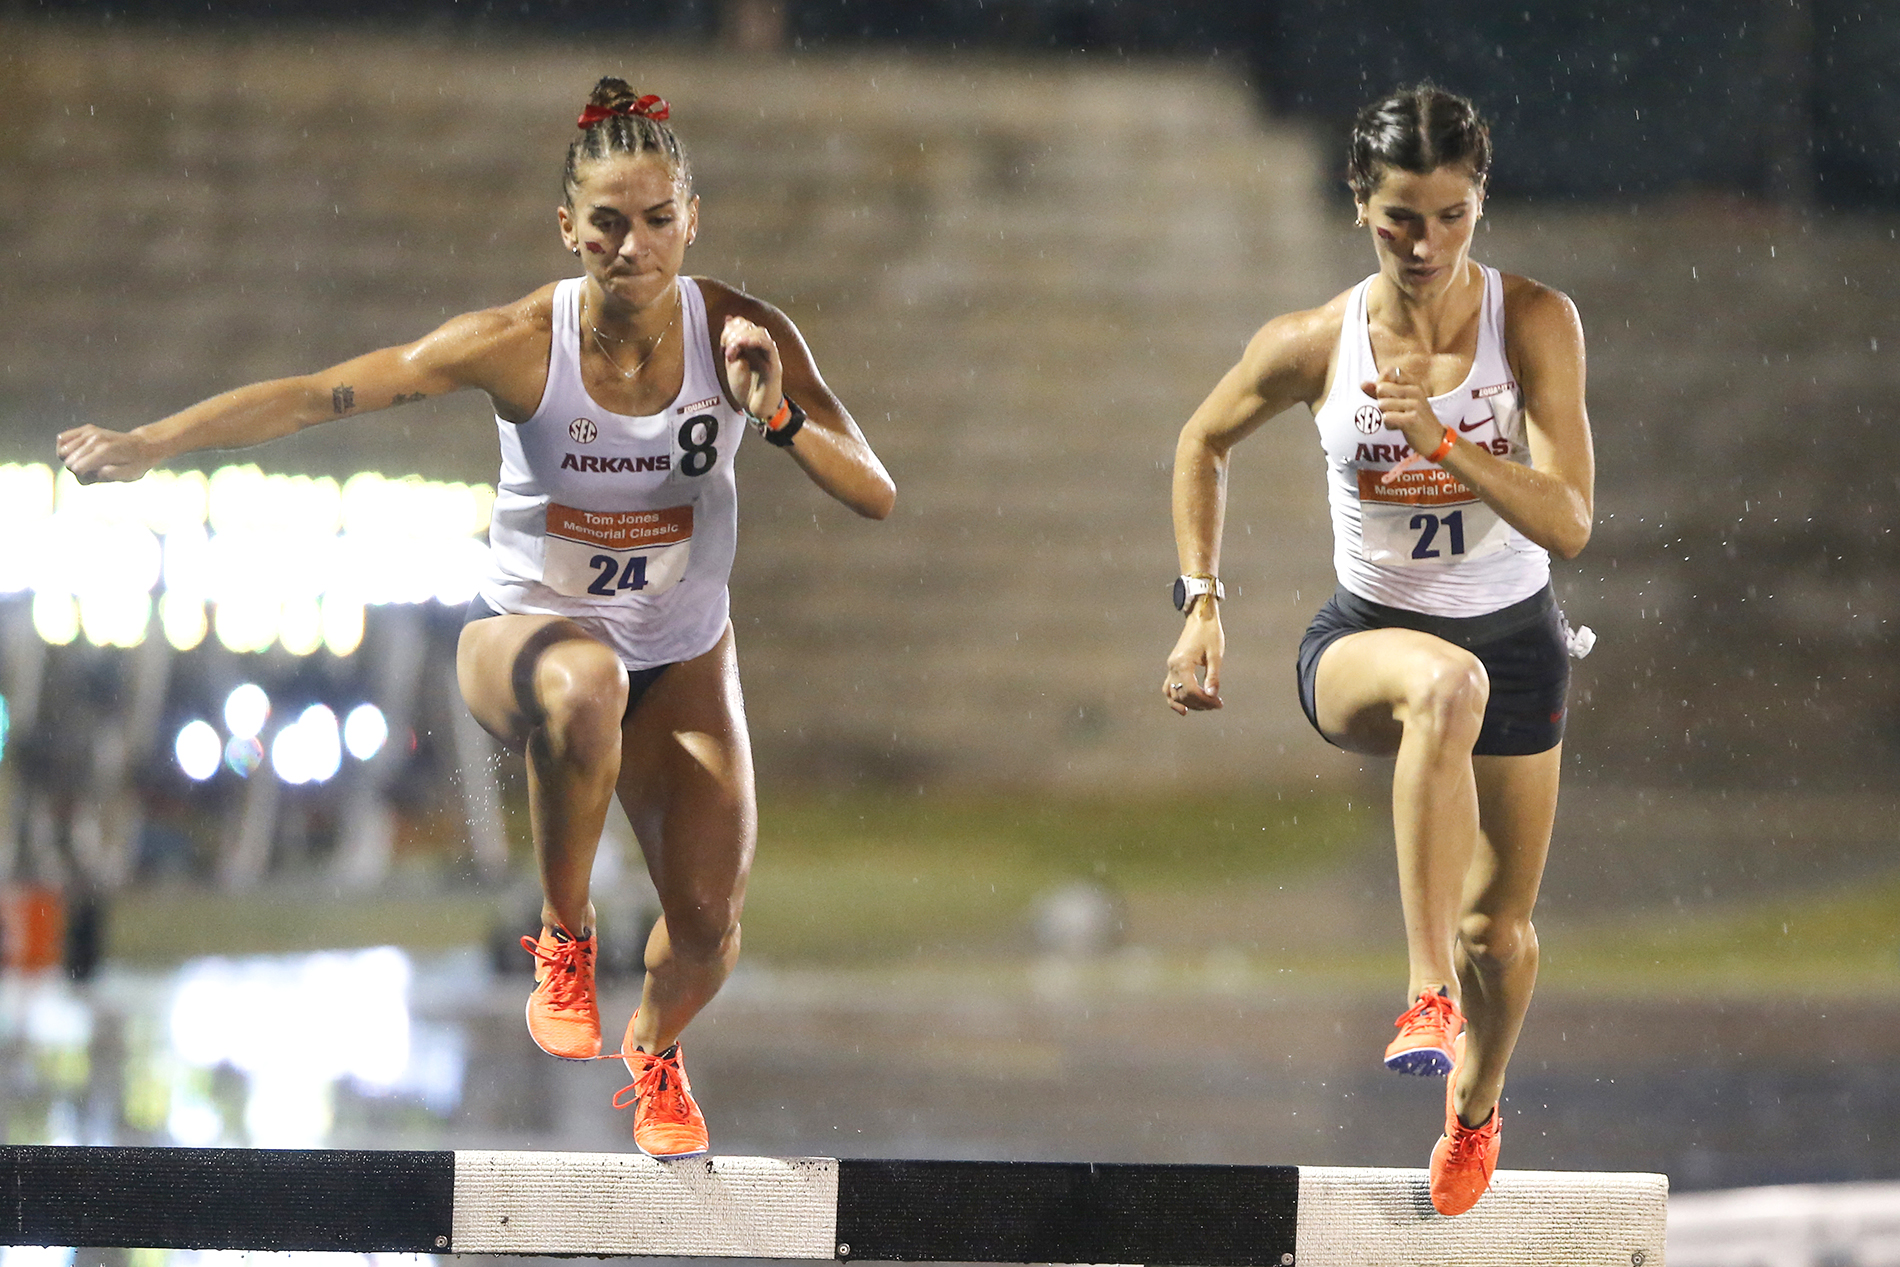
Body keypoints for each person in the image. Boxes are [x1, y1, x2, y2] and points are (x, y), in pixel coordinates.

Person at [57, 77, 896, 1159]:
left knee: (707, 929)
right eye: (606, 224)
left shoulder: (741, 331)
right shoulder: (513, 341)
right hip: (523, 643)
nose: (631, 249)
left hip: (683, 656)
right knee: (583, 680)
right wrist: (150, 443)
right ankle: (564, 931)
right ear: (567, 228)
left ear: (691, 220)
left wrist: (772, 411)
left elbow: (872, 489)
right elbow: (320, 392)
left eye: (654, 221)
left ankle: (652, 1046)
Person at [1161, 84, 1592, 1216]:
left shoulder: (1533, 321)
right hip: (1366, 638)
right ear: (1360, 206)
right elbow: (1201, 441)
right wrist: (1200, 600)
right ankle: (1422, 995)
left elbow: (1569, 522)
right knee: (1442, 685)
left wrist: (1441, 440)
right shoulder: (1314, 342)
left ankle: (1476, 1104)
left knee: (1499, 931)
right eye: (1401, 216)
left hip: (1519, 638)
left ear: (1479, 204)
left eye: (1451, 216)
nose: (1425, 244)